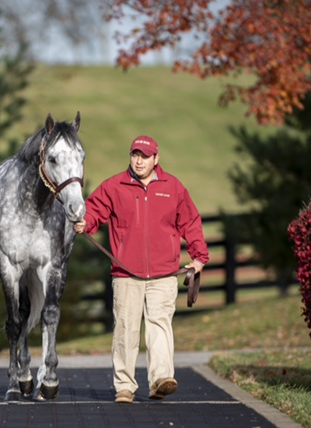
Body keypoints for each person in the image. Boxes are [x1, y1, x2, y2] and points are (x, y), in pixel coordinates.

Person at [73, 135, 209, 404]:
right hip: (126, 274)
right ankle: (124, 385)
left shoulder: (173, 187)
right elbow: (93, 210)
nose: (139, 160)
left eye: (145, 156)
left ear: (156, 159)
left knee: (159, 326)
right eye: (135, 155)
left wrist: (199, 257)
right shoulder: (114, 186)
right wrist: (84, 222)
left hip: (164, 274)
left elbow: (191, 222)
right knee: (126, 330)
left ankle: (161, 379)